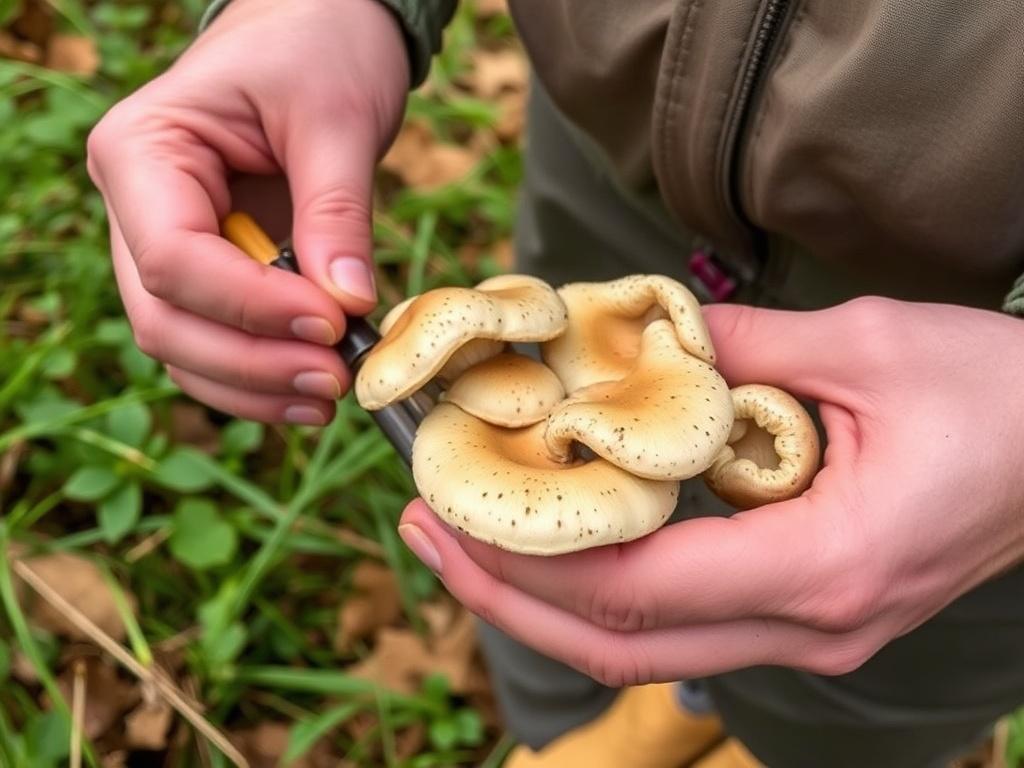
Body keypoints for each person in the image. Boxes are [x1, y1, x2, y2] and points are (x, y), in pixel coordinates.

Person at [85, 1, 1024, 766]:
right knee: (559, 591)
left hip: (975, 341)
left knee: (885, 677)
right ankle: (626, 721)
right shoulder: (543, 346)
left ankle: (775, 742)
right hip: (616, 176)